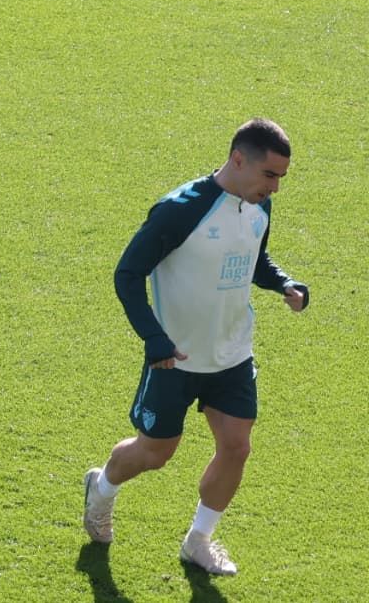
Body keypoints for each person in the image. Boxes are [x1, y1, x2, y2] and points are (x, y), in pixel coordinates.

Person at [82, 118, 310, 577]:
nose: (276, 188)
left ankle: (199, 540)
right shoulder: (179, 210)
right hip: (175, 359)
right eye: (270, 175)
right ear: (238, 159)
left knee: (236, 446)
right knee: (155, 454)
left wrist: (284, 282)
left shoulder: (258, 206)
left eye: (281, 178)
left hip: (232, 354)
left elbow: (252, 258)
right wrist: (154, 339)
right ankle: (102, 488)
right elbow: (127, 274)